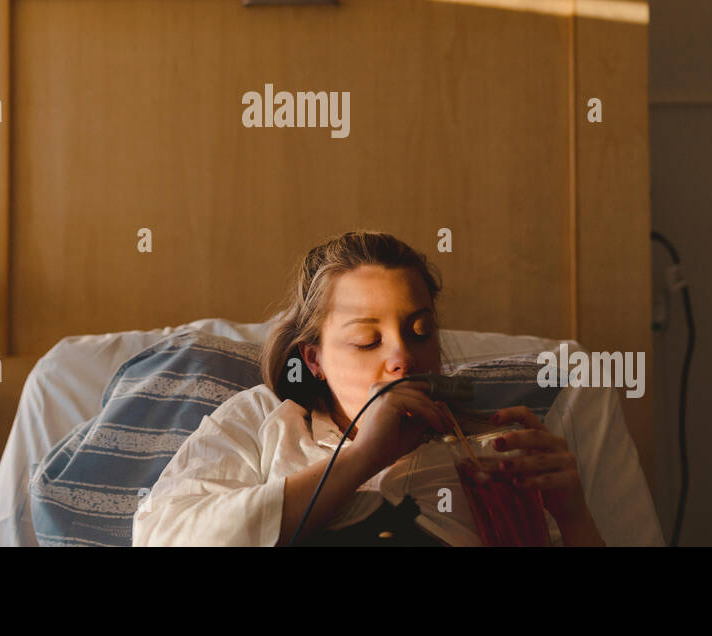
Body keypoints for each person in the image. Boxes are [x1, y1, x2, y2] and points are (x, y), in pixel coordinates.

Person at [132, 230, 632, 546]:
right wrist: (362, 458)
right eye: (367, 341)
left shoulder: (490, 458)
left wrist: (573, 515)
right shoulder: (263, 421)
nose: (403, 359)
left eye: (420, 332)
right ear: (315, 360)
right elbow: (164, 538)